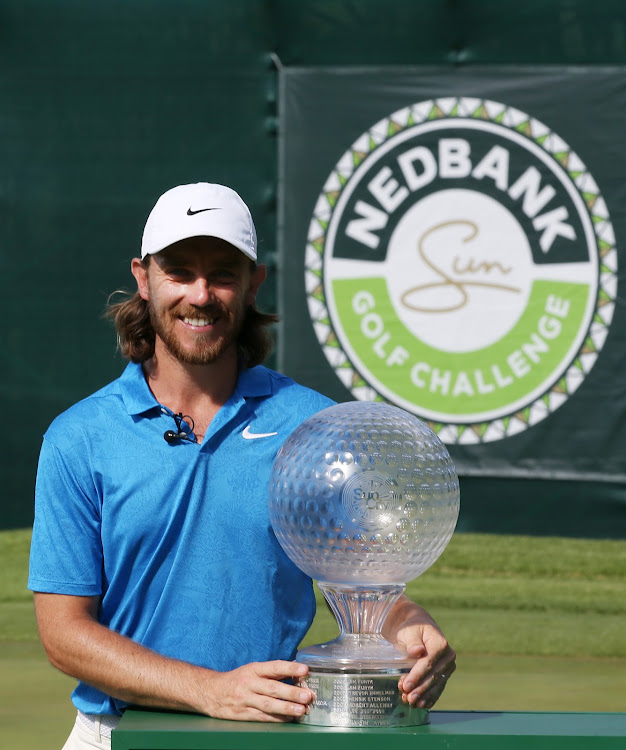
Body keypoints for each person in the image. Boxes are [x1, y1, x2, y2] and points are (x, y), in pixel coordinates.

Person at [28, 183, 456, 749]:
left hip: (266, 734)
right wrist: (206, 690)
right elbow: (64, 634)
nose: (201, 295)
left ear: (254, 282)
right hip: (113, 735)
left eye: (223, 274)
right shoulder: (79, 437)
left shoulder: (315, 428)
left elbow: (362, 583)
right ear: (143, 277)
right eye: (179, 271)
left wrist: (408, 626)